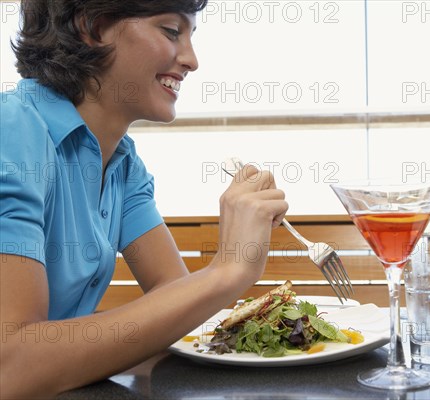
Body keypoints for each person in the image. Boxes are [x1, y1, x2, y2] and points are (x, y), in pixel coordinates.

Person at [0, 1, 288, 398]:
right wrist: (227, 269)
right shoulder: (9, 133)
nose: (191, 60)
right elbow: (10, 365)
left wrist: (235, 255)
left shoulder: (122, 161)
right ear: (95, 28)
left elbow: (173, 297)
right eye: (171, 31)